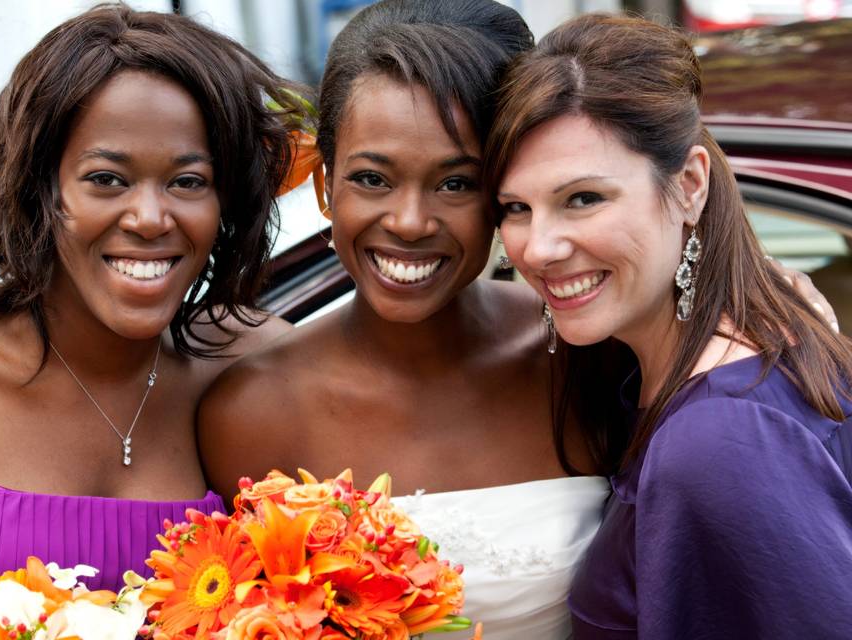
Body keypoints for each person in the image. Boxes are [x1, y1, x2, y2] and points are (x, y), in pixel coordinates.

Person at [198, 2, 612, 638]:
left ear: (503, 193)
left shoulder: (586, 354)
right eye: (372, 178)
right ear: (325, 189)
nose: (410, 221)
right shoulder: (251, 410)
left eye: (455, 184)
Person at [0, 5, 301, 635]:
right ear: (40, 191)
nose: (149, 217)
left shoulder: (257, 370)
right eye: (106, 179)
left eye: (188, 181)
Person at [488, 13, 852, 639]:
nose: (539, 248)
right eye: (516, 208)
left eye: (583, 198)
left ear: (689, 185)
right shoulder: (680, 360)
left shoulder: (718, 440)